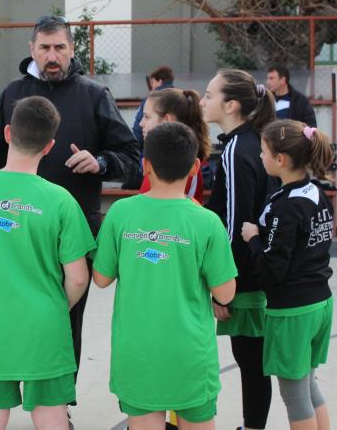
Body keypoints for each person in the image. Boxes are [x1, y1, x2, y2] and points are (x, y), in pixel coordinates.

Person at [0, 15, 139, 395]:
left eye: (59, 47)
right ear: (32, 49)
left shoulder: (94, 95)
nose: (52, 56)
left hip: (72, 232)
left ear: (72, 48)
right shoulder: (11, 95)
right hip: (12, 229)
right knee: (9, 314)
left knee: (65, 320)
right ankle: (2, 393)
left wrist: (100, 162)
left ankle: (57, 402)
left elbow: (131, 157)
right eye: (44, 48)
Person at [0, 96, 95, 430]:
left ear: (8, 134)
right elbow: (79, 279)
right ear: (50, 146)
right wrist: (55, 309)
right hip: (45, 327)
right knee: (50, 415)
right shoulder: (61, 200)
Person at [93, 122, 237, 430]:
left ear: (146, 166)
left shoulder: (120, 213)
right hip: (190, 356)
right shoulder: (207, 222)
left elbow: (101, 278)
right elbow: (225, 294)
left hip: (137, 355)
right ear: (196, 167)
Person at [241, 120, 335, 430]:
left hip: (294, 311)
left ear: (280, 159)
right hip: (320, 302)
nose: (260, 156)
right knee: (307, 385)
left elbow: (271, 270)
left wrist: (253, 239)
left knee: (294, 395)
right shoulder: (316, 192)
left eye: (264, 151)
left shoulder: (286, 206)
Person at [201, 69, 276, 430]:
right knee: (254, 360)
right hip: (257, 268)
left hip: (244, 277)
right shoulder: (253, 141)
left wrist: (224, 288)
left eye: (209, 95)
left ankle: (253, 426)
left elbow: (235, 222)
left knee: (250, 359)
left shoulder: (235, 149)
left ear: (231, 105)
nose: (203, 101)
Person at [138, 88, 211, 203]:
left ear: (167, 120)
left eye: (147, 117)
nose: (141, 123)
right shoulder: (162, 158)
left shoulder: (177, 164)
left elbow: (155, 209)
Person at [132, 66, 175, 144]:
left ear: (160, 82)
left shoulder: (150, 100)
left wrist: (136, 147)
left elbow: (137, 130)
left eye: (152, 82)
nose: (151, 86)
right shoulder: (181, 99)